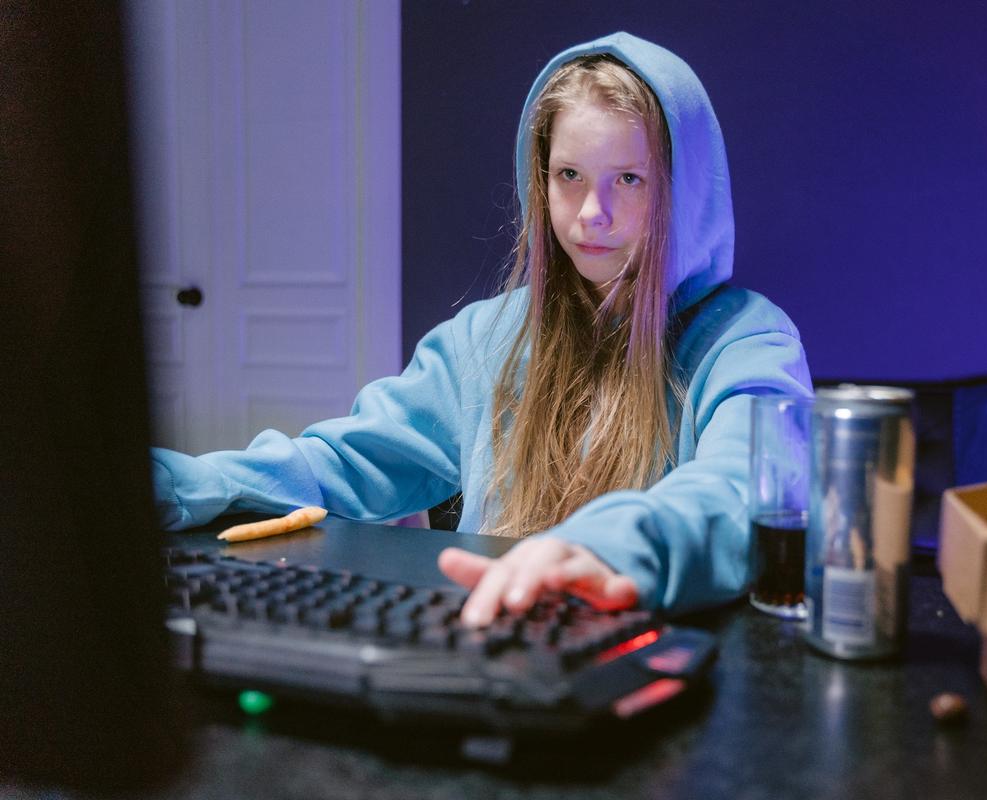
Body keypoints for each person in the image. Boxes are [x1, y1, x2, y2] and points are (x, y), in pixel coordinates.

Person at [151, 31, 812, 626]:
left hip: (659, 682)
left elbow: (744, 490)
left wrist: (601, 549)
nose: (593, 213)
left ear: (682, 188)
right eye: (569, 176)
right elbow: (344, 462)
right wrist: (178, 487)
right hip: (490, 646)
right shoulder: (487, 338)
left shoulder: (749, 342)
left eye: (630, 180)